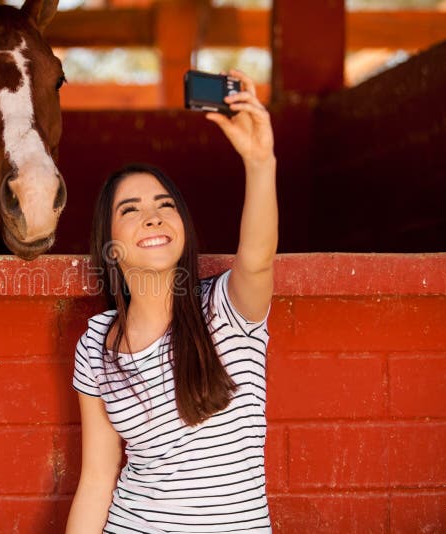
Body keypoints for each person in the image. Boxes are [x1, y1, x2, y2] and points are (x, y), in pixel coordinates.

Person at [65, 69, 278, 534]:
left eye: (165, 204)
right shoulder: (96, 345)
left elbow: (258, 259)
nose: (153, 216)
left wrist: (261, 162)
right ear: (111, 245)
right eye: (131, 210)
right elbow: (98, 479)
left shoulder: (227, 309)